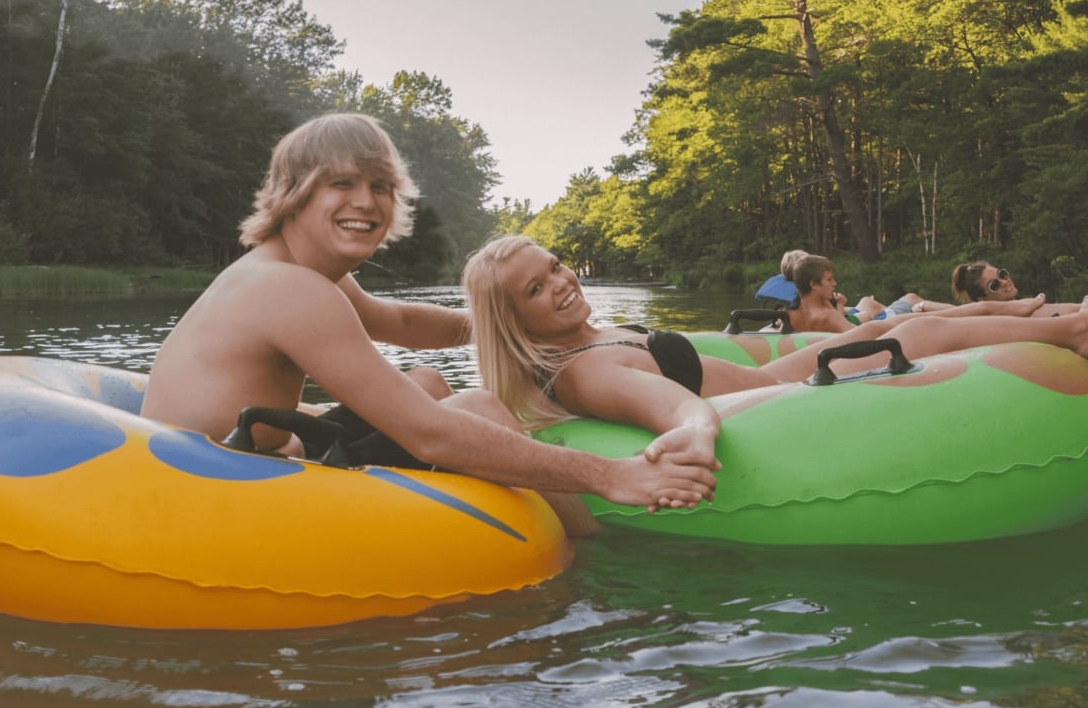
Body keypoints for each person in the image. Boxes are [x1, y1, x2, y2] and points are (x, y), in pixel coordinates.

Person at [140, 114, 718, 534]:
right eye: (342, 184)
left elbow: (398, 320)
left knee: (426, 379)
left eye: (380, 186)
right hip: (210, 489)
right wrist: (608, 475)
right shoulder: (289, 290)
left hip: (250, 448)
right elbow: (430, 434)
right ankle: (596, 566)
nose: (366, 202)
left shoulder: (295, 271)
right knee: (479, 410)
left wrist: (507, 323)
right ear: (294, 195)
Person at [461, 236, 1088, 468]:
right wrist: (696, 429)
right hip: (766, 400)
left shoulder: (589, 337)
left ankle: (1059, 315)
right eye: (536, 289)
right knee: (911, 333)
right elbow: (670, 409)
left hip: (760, 372)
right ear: (513, 318)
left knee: (913, 322)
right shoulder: (588, 370)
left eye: (556, 267)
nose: (563, 284)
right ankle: (1070, 331)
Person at [777, 250, 955, 333]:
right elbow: (861, 335)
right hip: (882, 327)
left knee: (910, 306)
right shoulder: (827, 316)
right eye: (829, 280)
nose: (835, 283)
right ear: (813, 284)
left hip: (866, 321)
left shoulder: (791, 312)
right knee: (914, 302)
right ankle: (969, 312)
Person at [952, 260, 1082, 317]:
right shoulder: (1004, 323)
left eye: (1002, 274)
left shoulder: (1026, 305)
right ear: (982, 299)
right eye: (994, 285)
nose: (1004, 281)